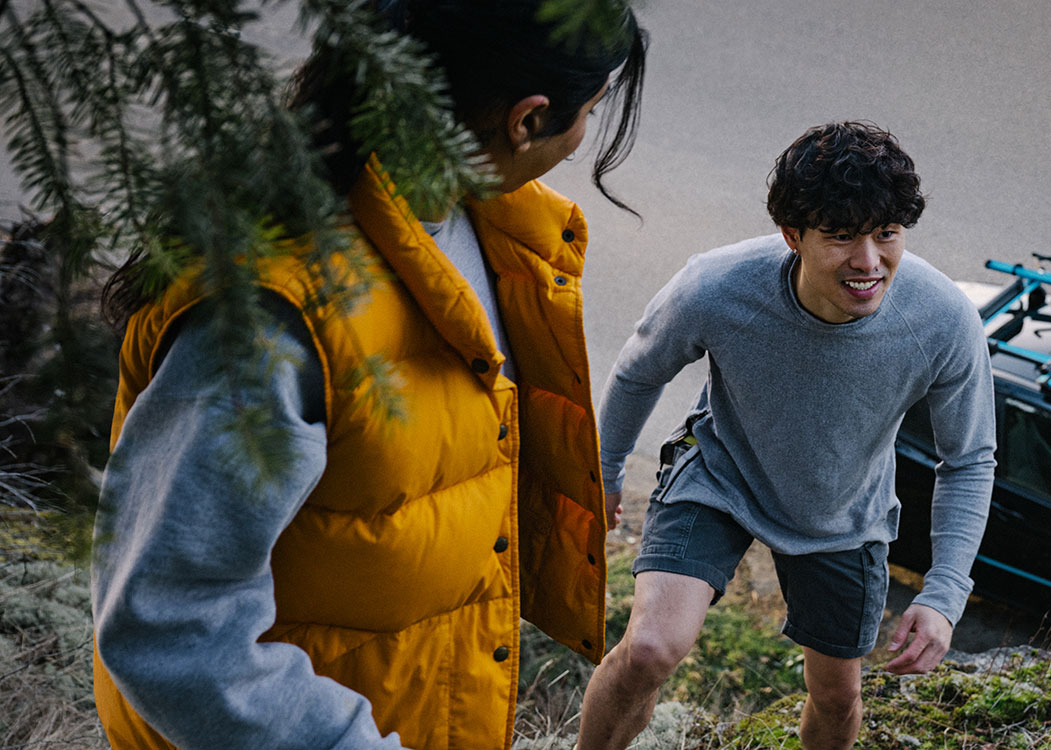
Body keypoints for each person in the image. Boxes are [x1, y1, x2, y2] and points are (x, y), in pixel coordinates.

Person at [89, 2, 646, 748]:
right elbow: (168, 624)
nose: (584, 138)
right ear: (527, 119)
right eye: (591, 111)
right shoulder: (270, 314)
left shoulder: (497, 228)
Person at [577, 121, 997, 750]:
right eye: (841, 236)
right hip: (719, 474)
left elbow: (968, 460)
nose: (868, 261)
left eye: (886, 233)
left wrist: (945, 592)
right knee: (649, 649)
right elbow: (639, 371)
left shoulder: (943, 321)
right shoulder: (716, 286)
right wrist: (605, 473)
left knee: (837, 697)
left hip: (843, 511)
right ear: (792, 235)